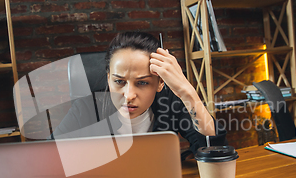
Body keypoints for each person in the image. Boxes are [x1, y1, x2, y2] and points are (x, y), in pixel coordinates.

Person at [53, 31, 227, 157]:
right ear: (108, 78)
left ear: (160, 83)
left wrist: (188, 93)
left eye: (142, 83)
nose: (128, 95)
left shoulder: (169, 103)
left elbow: (215, 152)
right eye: (119, 81)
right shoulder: (85, 109)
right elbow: (45, 159)